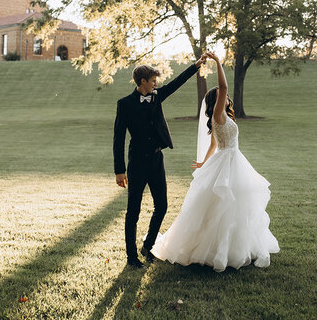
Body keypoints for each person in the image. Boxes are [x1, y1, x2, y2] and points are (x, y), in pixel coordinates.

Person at [151, 52, 279, 272]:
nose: (225, 96)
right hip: (229, 160)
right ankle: (217, 251)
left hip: (228, 158)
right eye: (220, 95)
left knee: (236, 204)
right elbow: (224, 87)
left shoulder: (221, 117)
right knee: (225, 204)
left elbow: (213, 145)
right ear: (216, 101)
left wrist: (203, 163)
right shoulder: (218, 114)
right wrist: (218, 63)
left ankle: (233, 247)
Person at [113, 54, 208, 268]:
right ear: (143, 81)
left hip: (157, 159)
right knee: (133, 211)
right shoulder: (125, 104)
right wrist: (119, 170)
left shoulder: (157, 96)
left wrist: (196, 66)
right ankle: (131, 257)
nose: (156, 82)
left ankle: (147, 246)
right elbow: (118, 138)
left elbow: (177, 83)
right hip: (136, 162)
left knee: (162, 206)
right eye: (153, 79)